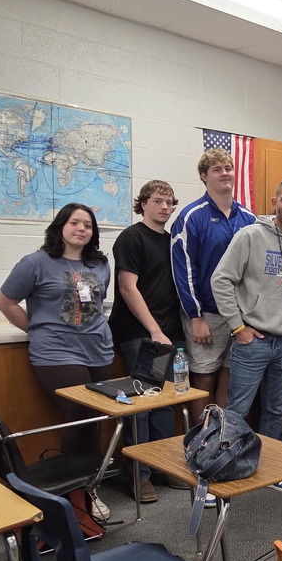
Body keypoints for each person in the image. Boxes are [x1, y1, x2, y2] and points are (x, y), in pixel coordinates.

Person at [0, 203, 114, 521]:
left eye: (87, 225)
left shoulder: (100, 263)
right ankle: (75, 495)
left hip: (99, 351)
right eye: (75, 223)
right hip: (57, 353)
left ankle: (85, 489)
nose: (81, 229)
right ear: (61, 226)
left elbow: (96, 305)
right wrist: (34, 328)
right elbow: (4, 301)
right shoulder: (36, 262)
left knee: (94, 419)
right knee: (79, 414)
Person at [212, 179, 282, 492]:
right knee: (237, 409)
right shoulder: (249, 236)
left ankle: (269, 468)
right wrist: (237, 326)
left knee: (275, 410)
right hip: (254, 339)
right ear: (275, 201)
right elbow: (221, 280)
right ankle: (222, 470)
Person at [109, 180, 182, 503]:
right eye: (157, 201)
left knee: (164, 404)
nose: (164, 207)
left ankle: (164, 465)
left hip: (168, 334)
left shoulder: (174, 242)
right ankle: (138, 475)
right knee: (140, 406)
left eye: (169, 202)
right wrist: (153, 330)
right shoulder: (131, 238)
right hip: (140, 333)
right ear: (143, 204)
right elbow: (128, 288)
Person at [171, 148, 256, 419]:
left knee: (230, 377)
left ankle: (222, 438)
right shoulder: (191, 217)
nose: (225, 173)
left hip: (240, 316)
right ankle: (202, 437)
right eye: (217, 169)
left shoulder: (249, 219)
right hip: (206, 314)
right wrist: (195, 317)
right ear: (204, 176)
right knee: (205, 379)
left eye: (228, 168)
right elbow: (184, 271)